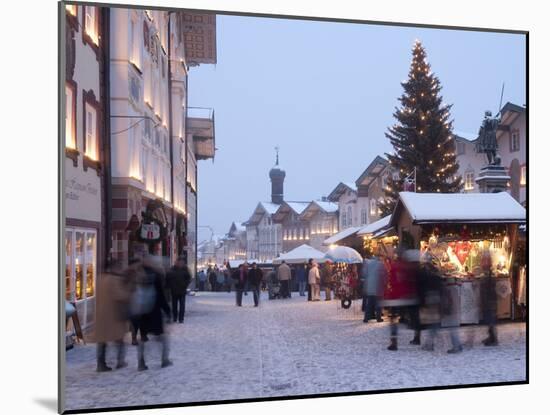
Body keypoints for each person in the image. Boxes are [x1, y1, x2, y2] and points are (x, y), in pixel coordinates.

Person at [135, 255, 172, 371]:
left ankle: (141, 362)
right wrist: (167, 310)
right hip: (154, 312)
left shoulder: (138, 275)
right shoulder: (155, 276)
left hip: (141, 312)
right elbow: (160, 295)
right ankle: (164, 360)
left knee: (143, 338)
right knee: (162, 337)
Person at [94, 264, 133, 372]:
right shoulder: (114, 280)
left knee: (102, 340)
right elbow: (120, 295)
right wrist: (129, 292)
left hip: (101, 314)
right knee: (119, 339)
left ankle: (100, 363)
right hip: (114, 315)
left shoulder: (100, 279)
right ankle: (120, 361)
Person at [166, 256, 192, 324]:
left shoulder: (185, 269)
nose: (180, 263)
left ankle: (181, 319)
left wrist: (185, 285)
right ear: (176, 262)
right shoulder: (172, 269)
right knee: (174, 305)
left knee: (182, 305)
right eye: (179, 262)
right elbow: (168, 278)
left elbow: (189, 278)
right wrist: (170, 285)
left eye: (182, 262)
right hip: (174, 290)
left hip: (182, 290)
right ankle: (175, 317)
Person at [363, 255, 385, 323]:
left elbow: (364, 274)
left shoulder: (369, 264)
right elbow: (383, 275)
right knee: (378, 304)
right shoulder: (380, 264)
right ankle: (378, 318)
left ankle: (366, 318)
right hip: (377, 287)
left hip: (369, 287)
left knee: (369, 303)